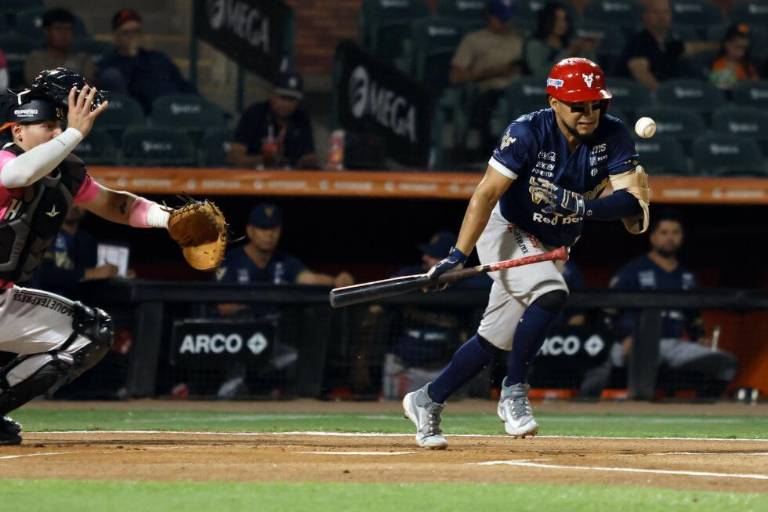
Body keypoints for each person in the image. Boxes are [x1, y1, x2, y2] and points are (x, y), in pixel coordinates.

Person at [402, 57, 650, 449]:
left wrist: (579, 205)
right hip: (507, 228)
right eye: (578, 105)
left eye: (596, 104)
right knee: (551, 293)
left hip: (553, 243)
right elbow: (485, 194)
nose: (589, 113)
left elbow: (631, 203)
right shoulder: (527, 131)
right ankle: (514, 391)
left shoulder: (614, 134)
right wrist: (456, 256)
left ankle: (427, 399)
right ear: (554, 102)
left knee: (493, 340)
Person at [0, 69, 195, 445]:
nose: (56, 133)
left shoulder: (66, 173)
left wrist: (170, 220)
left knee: (92, 332)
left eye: (58, 126)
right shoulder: (5, 159)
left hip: (3, 300)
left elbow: (118, 205)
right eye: (47, 126)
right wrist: (74, 133)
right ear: (18, 132)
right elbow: (16, 177)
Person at [609, 212, 738, 399]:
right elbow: (610, 313)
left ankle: (700, 408)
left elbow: (693, 317)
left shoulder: (687, 277)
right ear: (653, 237)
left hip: (674, 345)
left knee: (725, 363)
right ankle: (635, 406)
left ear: (682, 237)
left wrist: (699, 338)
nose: (670, 237)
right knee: (639, 357)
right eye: (664, 232)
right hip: (635, 343)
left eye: (675, 232)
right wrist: (626, 337)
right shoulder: (633, 270)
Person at [216, 203, 353, 315]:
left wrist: (336, 280)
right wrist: (263, 304)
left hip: (277, 331)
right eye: (263, 228)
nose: (269, 234)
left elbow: (309, 279)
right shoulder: (231, 260)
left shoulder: (284, 261)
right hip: (237, 332)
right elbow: (224, 306)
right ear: (250, 230)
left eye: (274, 228)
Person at [450, 0, 524, 158]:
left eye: (507, 18)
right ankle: (489, 153)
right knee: (496, 103)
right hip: (487, 90)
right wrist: (491, 72)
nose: (505, 23)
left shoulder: (518, 41)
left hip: (518, 90)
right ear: (489, 17)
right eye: (501, 18)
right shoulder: (474, 39)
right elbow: (456, 76)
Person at [96, 9, 196, 113]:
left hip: (175, 111)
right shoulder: (109, 64)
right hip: (140, 116)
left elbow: (184, 85)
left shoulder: (159, 58)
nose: (132, 36)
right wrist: (132, 55)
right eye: (126, 33)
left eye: (136, 31)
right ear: (115, 35)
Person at [24, 205, 129, 299]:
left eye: (81, 202)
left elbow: (91, 281)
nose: (73, 206)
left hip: (76, 305)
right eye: (71, 199)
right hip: (41, 303)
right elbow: (42, 275)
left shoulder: (88, 240)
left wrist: (119, 273)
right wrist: (90, 273)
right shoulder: (44, 234)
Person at [616, 0, 716, 91]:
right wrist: (664, 94)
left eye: (666, 12)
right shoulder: (638, 42)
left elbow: (691, 47)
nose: (662, 17)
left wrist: (719, 46)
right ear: (645, 16)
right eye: (656, 12)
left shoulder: (668, 44)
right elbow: (640, 72)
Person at [227, 71, 318, 170]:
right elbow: (233, 157)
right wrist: (263, 160)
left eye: (292, 99)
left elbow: (309, 157)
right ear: (271, 94)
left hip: (290, 177)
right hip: (253, 176)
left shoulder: (301, 118)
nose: (286, 104)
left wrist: (304, 162)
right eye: (282, 97)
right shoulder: (255, 113)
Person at [23, 8, 95, 86]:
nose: (64, 34)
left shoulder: (83, 60)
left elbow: (87, 85)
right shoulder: (35, 59)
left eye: (67, 29)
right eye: (58, 29)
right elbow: (38, 85)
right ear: (46, 31)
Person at [524, 2, 598, 77]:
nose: (563, 24)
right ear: (547, 21)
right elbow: (540, 73)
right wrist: (568, 53)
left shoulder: (571, 44)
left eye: (565, 20)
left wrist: (589, 51)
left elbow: (591, 72)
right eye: (557, 20)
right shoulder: (535, 45)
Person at [709, 23, 759, 93]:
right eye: (738, 47)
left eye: (745, 48)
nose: (742, 52)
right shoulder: (715, 65)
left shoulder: (749, 68)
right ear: (727, 44)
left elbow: (756, 89)